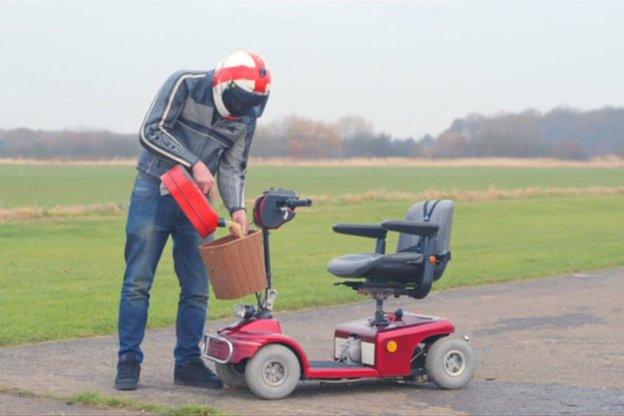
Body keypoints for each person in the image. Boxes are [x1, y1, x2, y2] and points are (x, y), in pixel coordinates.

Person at [115, 51, 271, 391]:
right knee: (138, 283)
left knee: (197, 289)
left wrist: (238, 209)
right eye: (240, 101)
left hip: (196, 205)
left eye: (251, 104)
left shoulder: (245, 117)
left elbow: (232, 168)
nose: (242, 110)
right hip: (153, 192)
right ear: (222, 84)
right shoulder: (184, 84)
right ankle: (128, 361)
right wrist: (194, 163)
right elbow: (151, 130)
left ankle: (187, 363)